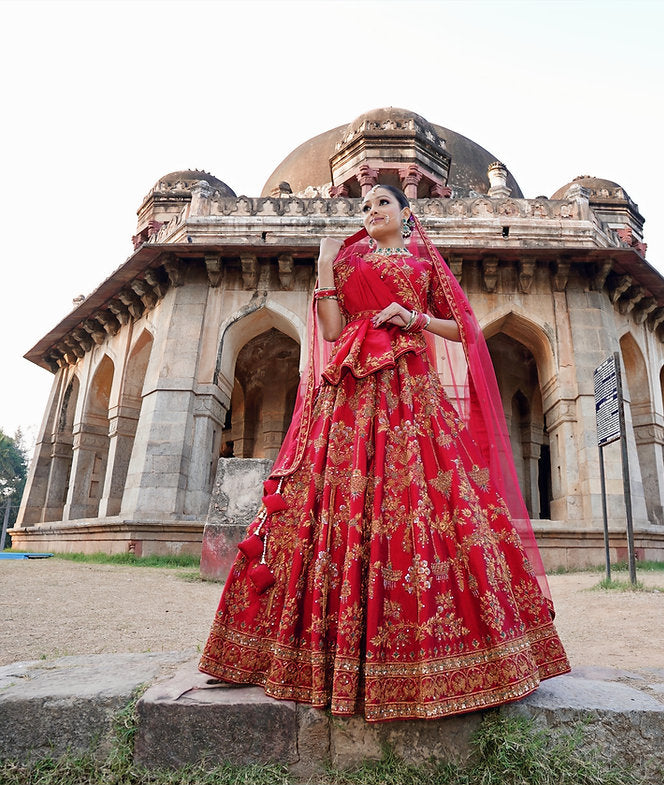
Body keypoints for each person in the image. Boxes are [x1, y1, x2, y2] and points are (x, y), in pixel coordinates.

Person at [199, 184, 570, 721]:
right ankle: (299, 653)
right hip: (347, 392)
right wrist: (325, 267)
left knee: (421, 503)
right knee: (330, 503)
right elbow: (330, 329)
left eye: (382, 204)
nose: (371, 212)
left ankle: (446, 660)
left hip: (410, 390)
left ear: (405, 212)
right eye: (365, 206)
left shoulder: (422, 265)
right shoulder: (347, 260)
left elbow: (464, 329)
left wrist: (412, 318)